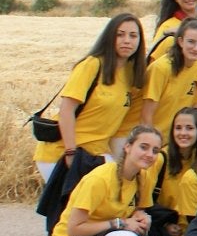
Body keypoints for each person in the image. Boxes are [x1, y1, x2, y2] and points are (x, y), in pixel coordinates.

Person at [33, 13, 147, 183]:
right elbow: (67, 109)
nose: (127, 40)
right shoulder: (92, 65)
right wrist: (71, 152)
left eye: (133, 35)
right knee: (74, 208)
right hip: (63, 154)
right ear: (109, 37)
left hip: (96, 154)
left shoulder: (131, 75)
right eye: (120, 34)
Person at [141, 18, 197, 138]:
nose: (196, 48)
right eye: (191, 42)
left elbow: (195, 112)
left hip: (178, 138)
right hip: (151, 135)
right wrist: (152, 142)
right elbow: (146, 114)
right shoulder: (161, 68)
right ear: (180, 42)